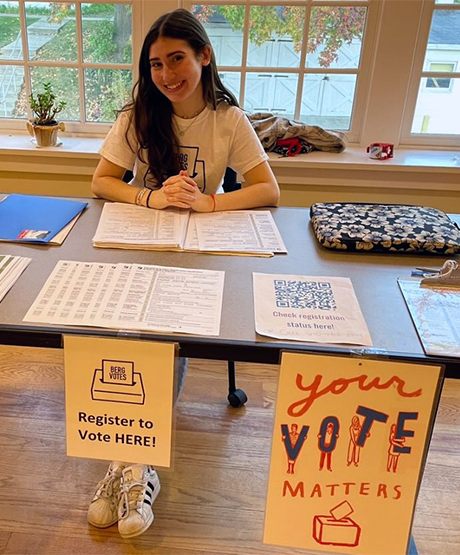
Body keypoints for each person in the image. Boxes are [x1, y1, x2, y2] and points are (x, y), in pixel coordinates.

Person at [87, 8, 280, 539]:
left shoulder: (227, 119)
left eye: (177, 59)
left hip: (200, 254)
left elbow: (269, 191)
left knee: (160, 335)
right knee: (124, 329)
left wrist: (207, 205)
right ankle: (130, 456)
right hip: (140, 243)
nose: (167, 75)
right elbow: (102, 181)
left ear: (204, 56)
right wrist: (150, 196)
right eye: (156, 64)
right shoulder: (138, 114)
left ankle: (134, 461)